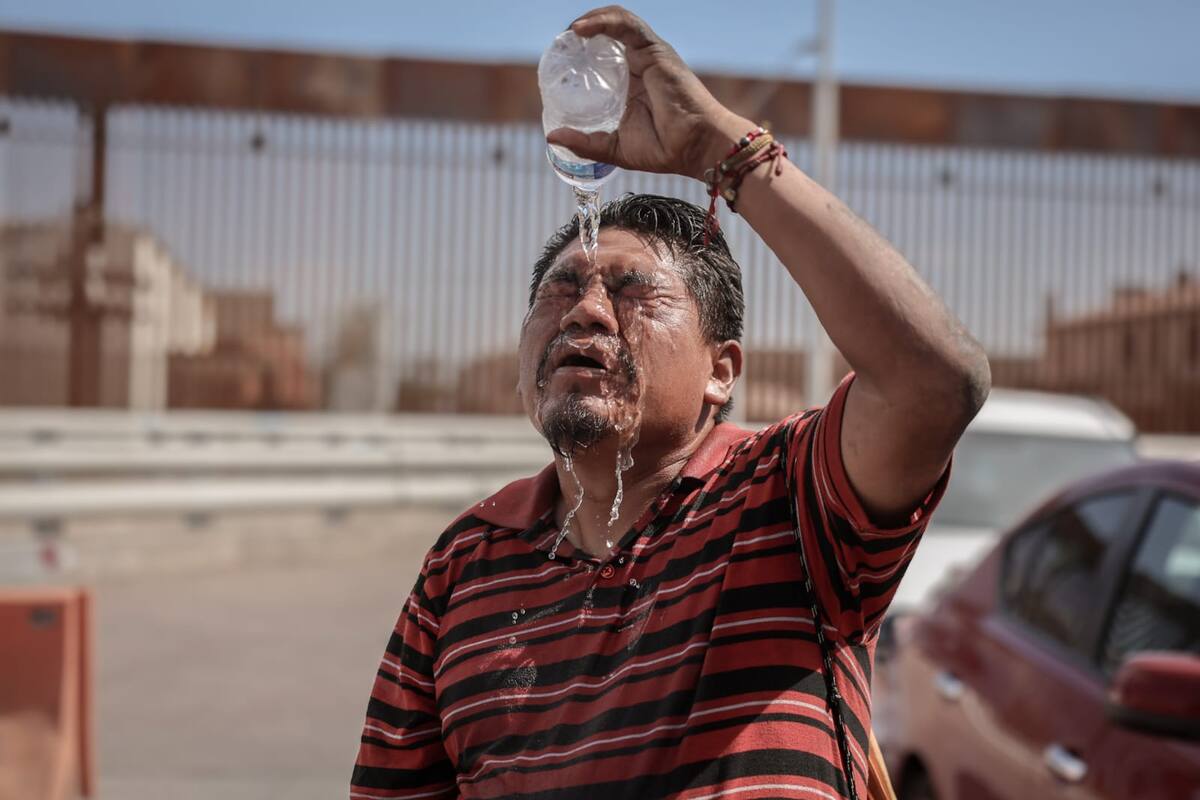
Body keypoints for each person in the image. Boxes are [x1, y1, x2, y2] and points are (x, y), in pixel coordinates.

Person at [350, 6, 990, 799]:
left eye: (630, 291)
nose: (584, 312)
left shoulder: (790, 500)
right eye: (561, 290)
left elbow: (938, 379)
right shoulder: (464, 568)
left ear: (722, 373)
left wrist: (720, 150)